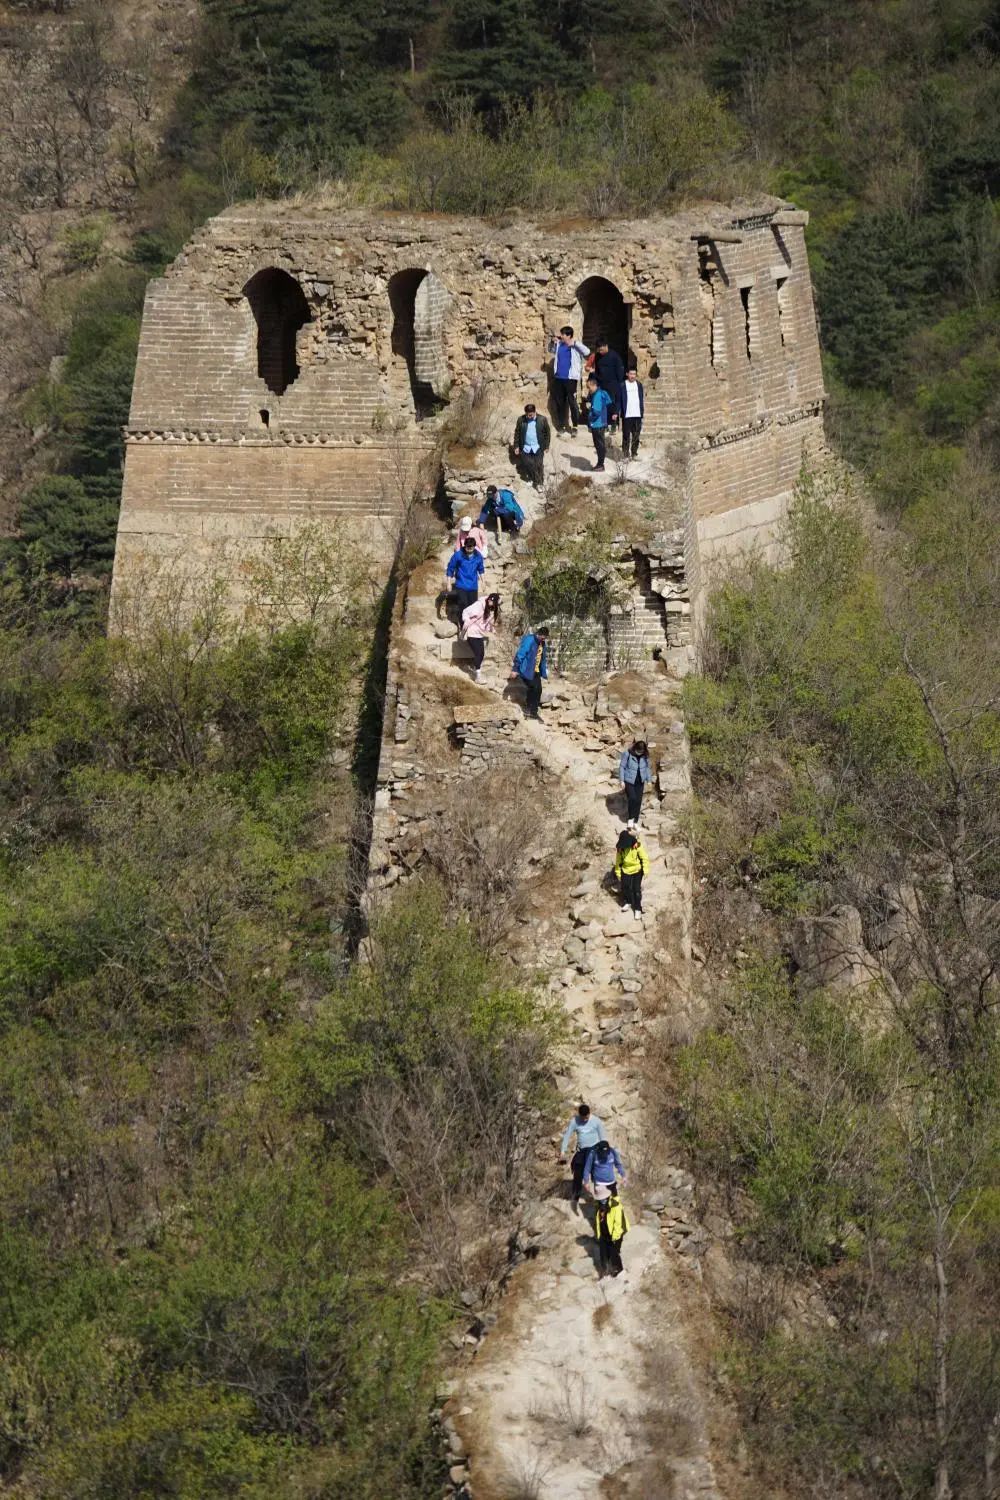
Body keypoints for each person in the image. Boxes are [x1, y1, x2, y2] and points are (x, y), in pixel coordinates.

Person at [559, 1103, 607, 1203]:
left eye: (587, 1117)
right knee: (577, 1175)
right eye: (583, 1117)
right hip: (581, 1152)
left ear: (590, 1113)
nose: (585, 1119)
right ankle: (575, 1198)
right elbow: (567, 1136)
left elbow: (603, 1137)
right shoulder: (575, 1121)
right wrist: (562, 1151)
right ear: (579, 1115)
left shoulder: (596, 1121)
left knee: (597, 1176)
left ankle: (601, 1198)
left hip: (594, 1151)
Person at [549, 325, 589, 435]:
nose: (561, 336)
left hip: (570, 379)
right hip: (558, 378)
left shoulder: (575, 345)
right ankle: (561, 426)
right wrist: (552, 342)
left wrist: (575, 344)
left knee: (572, 402)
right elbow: (550, 350)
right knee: (560, 403)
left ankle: (575, 426)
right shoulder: (559, 345)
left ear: (569, 336)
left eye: (563, 334)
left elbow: (587, 352)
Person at [460, 592, 500, 682]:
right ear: (489, 600)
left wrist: (492, 630)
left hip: (479, 633)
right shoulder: (479, 605)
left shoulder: (490, 608)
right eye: (492, 602)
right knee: (478, 653)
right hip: (471, 631)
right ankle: (478, 676)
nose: (493, 605)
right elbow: (465, 611)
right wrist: (466, 621)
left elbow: (485, 623)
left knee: (481, 653)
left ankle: (476, 670)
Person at [512, 625, 549, 719]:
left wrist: (544, 671)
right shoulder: (530, 640)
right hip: (526, 669)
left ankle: (533, 711)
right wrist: (515, 669)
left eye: (545, 637)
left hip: (536, 670)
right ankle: (528, 709)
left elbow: (542, 658)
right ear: (538, 634)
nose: (543, 638)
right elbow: (520, 654)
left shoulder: (542, 643)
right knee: (533, 687)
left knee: (538, 689)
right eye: (542, 636)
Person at [445, 535, 485, 619]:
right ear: (465, 546)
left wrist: (483, 582)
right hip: (461, 585)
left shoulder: (478, 556)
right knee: (463, 606)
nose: (469, 550)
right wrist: (448, 583)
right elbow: (450, 568)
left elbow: (481, 569)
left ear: (474, 547)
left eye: (471, 548)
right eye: (467, 548)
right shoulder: (458, 555)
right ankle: (462, 626)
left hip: (473, 586)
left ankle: (470, 628)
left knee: (473, 607)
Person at [614, 829, 650, 920]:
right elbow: (618, 863)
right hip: (625, 870)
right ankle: (628, 902)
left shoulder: (637, 846)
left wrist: (646, 870)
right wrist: (618, 874)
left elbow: (644, 858)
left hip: (637, 870)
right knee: (625, 887)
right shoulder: (620, 849)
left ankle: (637, 908)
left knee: (636, 890)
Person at [513, 403, 550, 488]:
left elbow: (547, 434)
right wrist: (516, 446)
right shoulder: (521, 420)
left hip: (538, 447)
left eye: (530, 415)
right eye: (527, 415)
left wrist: (546, 446)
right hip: (525, 447)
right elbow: (517, 433)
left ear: (534, 412)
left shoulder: (542, 419)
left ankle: (539, 483)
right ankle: (530, 478)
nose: (528, 417)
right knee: (528, 464)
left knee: (539, 465)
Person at [595, 1188, 629, 1278]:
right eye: (600, 1198)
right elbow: (599, 1222)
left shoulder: (615, 1206)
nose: (602, 1200)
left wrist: (615, 1237)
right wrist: (599, 1235)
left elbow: (618, 1223)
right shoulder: (599, 1206)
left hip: (615, 1233)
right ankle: (605, 1271)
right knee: (603, 1253)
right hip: (604, 1234)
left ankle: (618, 1270)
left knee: (613, 1252)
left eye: (603, 1198)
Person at [582, 374, 614, 472]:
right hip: (601, 422)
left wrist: (589, 412)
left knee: (599, 445)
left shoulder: (597, 395)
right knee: (600, 444)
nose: (588, 389)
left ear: (593, 385)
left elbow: (596, 411)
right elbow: (608, 402)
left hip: (597, 423)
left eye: (589, 387)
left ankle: (600, 465)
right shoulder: (602, 393)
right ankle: (600, 464)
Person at [618, 739, 652, 828]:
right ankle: (630, 818)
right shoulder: (627, 754)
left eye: (641, 751)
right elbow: (622, 767)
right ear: (635, 748)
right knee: (632, 798)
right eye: (638, 751)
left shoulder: (645, 756)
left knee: (638, 801)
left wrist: (649, 780)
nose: (639, 753)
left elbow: (647, 768)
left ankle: (635, 821)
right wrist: (621, 780)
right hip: (629, 780)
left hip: (640, 781)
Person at [583, 1138, 627, 1202]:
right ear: (598, 1150)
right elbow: (587, 1169)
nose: (605, 1154)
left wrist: (623, 1175)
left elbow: (618, 1164)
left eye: (606, 1152)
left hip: (611, 1182)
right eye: (603, 1152)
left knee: (615, 1202)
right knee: (603, 1205)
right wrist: (586, 1182)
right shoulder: (593, 1154)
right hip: (599, 1183)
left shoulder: (613, 1152)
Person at [594, 340, 625, 415]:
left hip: (613, 383)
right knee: (603, 403)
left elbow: (620, 370)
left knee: (612, 403)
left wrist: (619, 383)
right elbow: (597, 369)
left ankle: (613, 422)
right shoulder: (597, 356)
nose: (600, 352)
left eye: (601, 350)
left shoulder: (614, 356)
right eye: (599, 350)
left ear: (606, 346)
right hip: (602, 384)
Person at [620, 367, 644, 459]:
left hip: (637, 414)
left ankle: (634, 453)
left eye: (634, 374)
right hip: (627, 414)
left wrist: (642, 411)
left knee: (636, 435)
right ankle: (625, 455)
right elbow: (619, 400)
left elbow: (641, 399)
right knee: (626, 435)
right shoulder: (622, 385)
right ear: (627, 374)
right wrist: (616, 412)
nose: (633, 376)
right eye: (631, 374)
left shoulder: (639, 385)